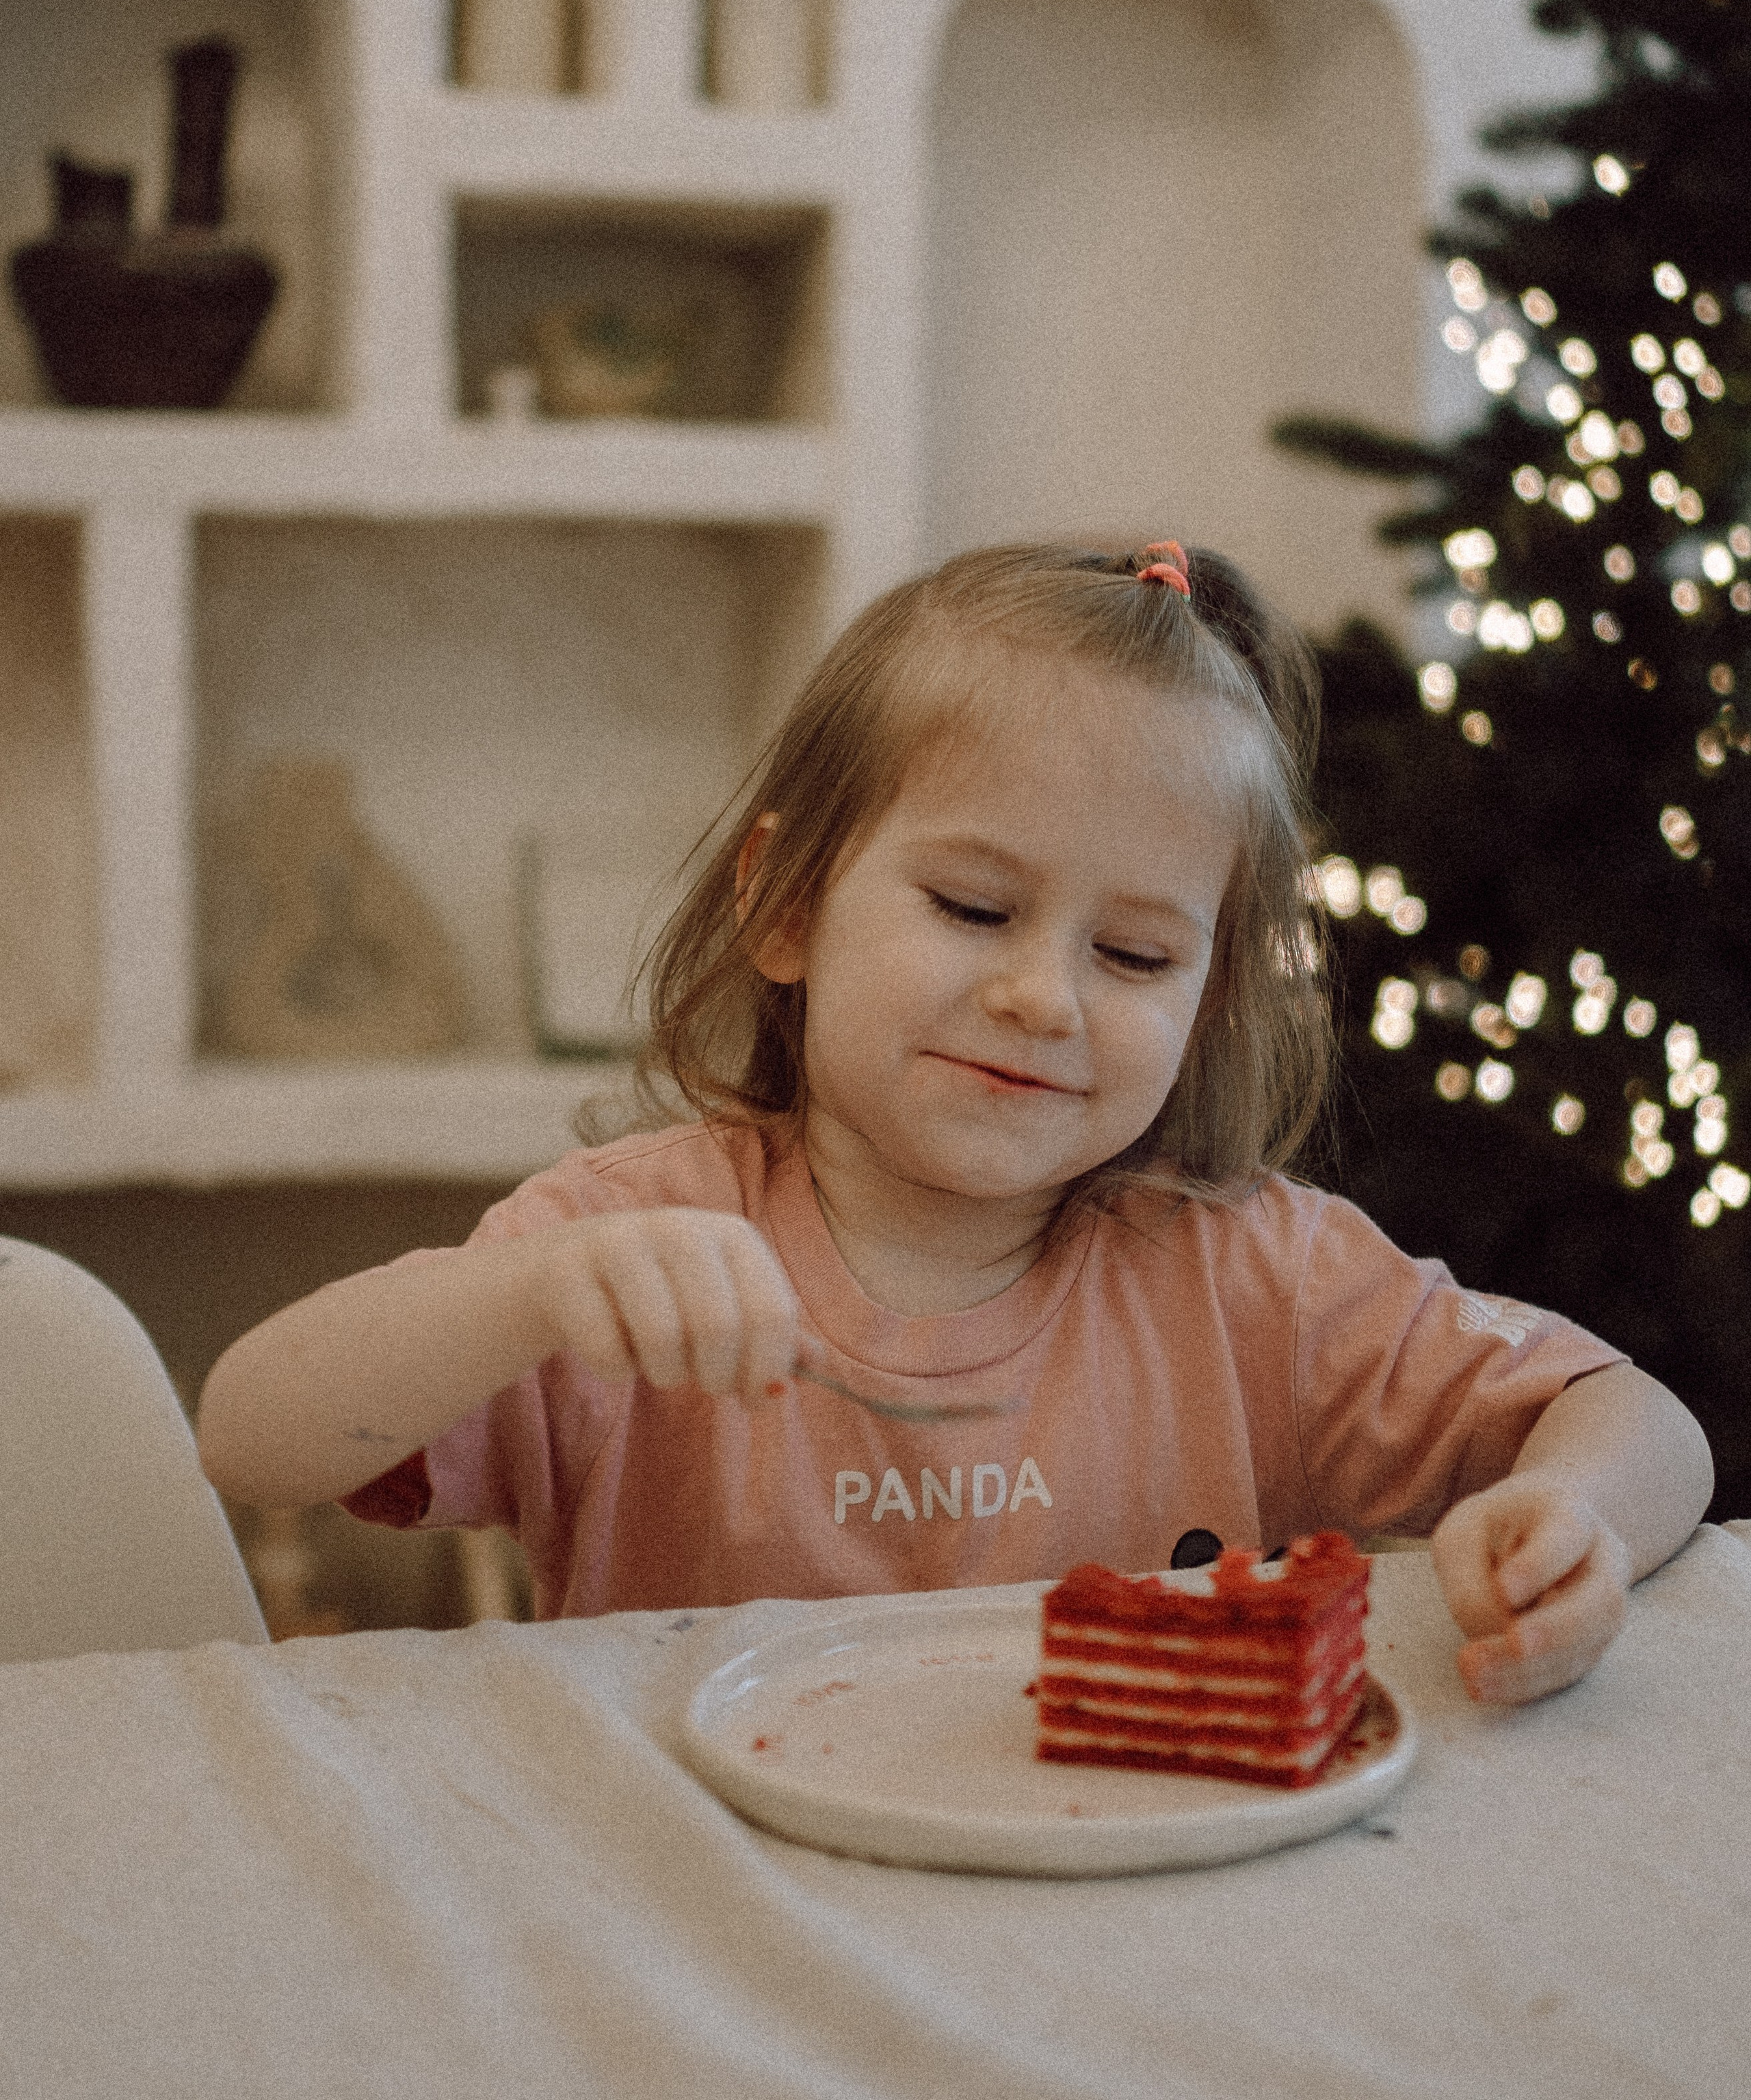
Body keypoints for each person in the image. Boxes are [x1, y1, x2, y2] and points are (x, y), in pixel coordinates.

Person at [198, 541, 1713, 1704]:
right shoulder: (625, 1251)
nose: (1043, 998)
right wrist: (516, 1297)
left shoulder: (1251, 1277)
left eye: (1133, 955)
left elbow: (1638, 1421)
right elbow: (246, 1436)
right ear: (786, 903)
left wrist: (1567, 1519)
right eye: (972, 907)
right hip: (710, 1922)